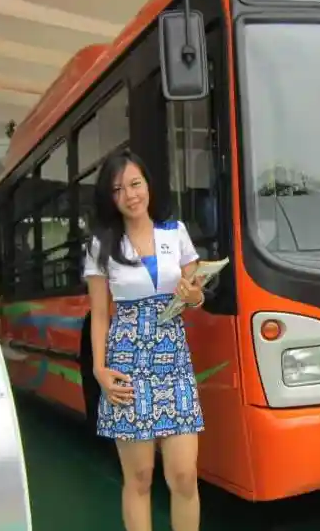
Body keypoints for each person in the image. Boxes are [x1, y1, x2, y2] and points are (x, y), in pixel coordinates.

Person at [83, 149, 206, 531]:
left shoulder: (176, 233)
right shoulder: (100, 246)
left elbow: (196, 295)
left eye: (135, 184)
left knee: (184, 476)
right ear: (110, 197)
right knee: (139, 478)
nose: (130, 195)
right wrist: (100, 369)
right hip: (126, 364)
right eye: (119, 189)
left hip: (174, 361)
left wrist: (193, 296)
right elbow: (100, 315)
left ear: (148, 185)